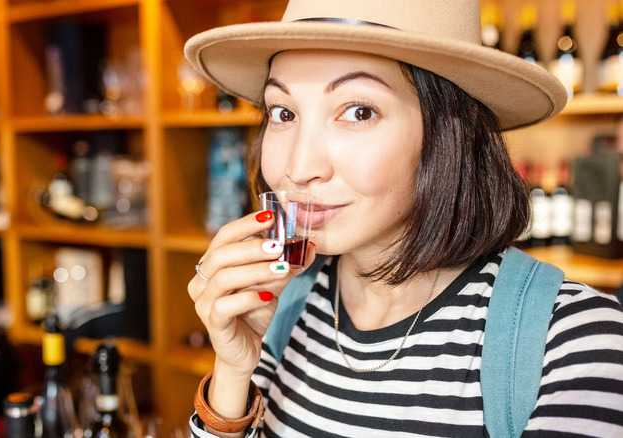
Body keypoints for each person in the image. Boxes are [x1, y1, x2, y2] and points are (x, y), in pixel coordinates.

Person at [184, 0, 623, 436]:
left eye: (359, 111)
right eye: (283, 113)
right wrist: (234, 370)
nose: (298, 168)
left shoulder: (574, 342)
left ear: (449, 132)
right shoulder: (286, 307)